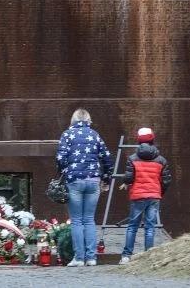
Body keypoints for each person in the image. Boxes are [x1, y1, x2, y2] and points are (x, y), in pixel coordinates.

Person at [55, 108, 112, 267]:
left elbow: (60, 157)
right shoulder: (95, 135)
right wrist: (106, 179)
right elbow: (107, 158)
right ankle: (92, 257)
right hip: (93, 180)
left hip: (74, 180)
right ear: (88, 120)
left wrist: (65, 172)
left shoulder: (67, 134)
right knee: (89, 219)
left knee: (77, 221)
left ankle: (79, 258)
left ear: (73, 120)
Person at [118, 127, 171, 264]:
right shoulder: (161, 160)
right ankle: (148, 256)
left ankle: (126, 256)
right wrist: (160, 192)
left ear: (139, 141)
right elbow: (166, 181)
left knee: (132, 226)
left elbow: (129, 178)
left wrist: (125, 182)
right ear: (152, 139)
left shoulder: (132, 159)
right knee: (150, 227)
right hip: (154, 196)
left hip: (138, 196)